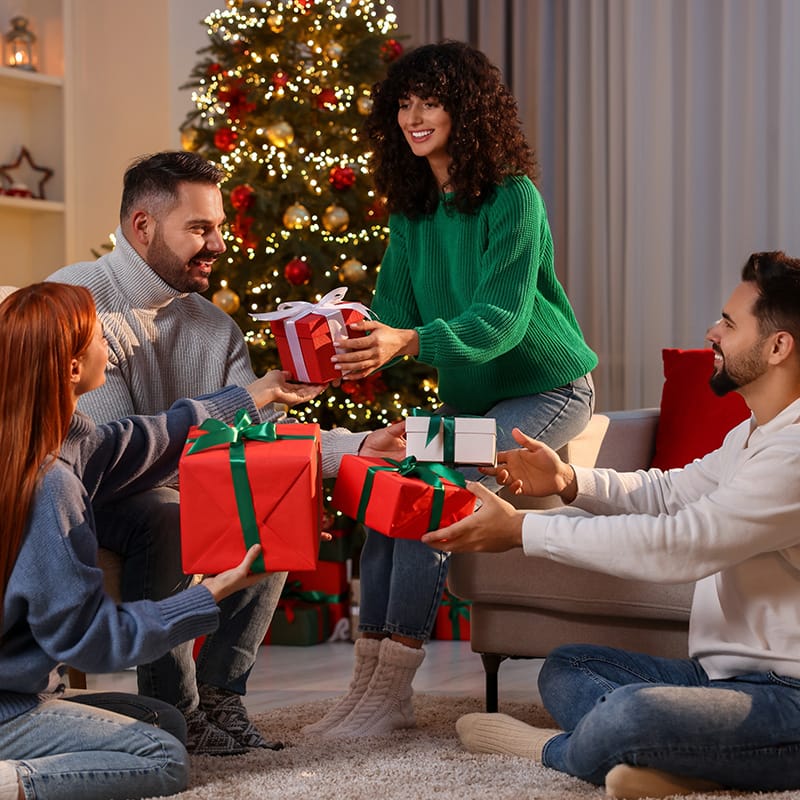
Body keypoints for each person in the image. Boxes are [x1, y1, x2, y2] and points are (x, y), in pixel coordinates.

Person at [47, 150, 407, 755]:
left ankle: (222, 696)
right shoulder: (78, 299)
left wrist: (353, 448)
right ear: (142, 226)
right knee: (169, 511)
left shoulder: (216, 327)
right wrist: (224, 442)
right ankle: (175, 709)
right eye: (199, 229)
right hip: (84, 495)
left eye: (219, 227)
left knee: (278, 495)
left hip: (180, 483)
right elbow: (108, 456)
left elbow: (262, 426)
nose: (218, 244)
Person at [421, 251, 800, 799]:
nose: (712, 332)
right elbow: (668, 492)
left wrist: (523, 531)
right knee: (570, 666)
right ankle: (682, 767)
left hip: (789, 698)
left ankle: (553, 750)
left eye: (729, 322)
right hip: (721, 679)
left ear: (778, 346)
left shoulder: (792, 452)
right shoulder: (754, 433)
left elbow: (682, 546)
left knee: (629, 714)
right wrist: (568, 480)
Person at [305, 41, 598, 739]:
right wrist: (339, 334)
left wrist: (406, 341)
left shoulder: (513, 198)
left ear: (465, 109)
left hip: (548, 387)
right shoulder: (411, 213)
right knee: (384, 476)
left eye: (429, 101)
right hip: (473, 398)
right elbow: (393, 312)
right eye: (403, 104)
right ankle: (369, 684)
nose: (413, 116)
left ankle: (391, 688)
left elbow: (499, 322)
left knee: (436, 481)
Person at [0, 282, 324, 799]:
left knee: (165, 720)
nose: (110, 341)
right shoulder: (50, 484)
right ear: (70, 368)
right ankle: (12, 779)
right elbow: (94, 639)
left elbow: (144, 438)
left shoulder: (52, 439)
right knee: (163, 759)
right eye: (97, 335)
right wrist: (212, 592)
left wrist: (254, 395)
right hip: (8, 708)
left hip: (20, 694)